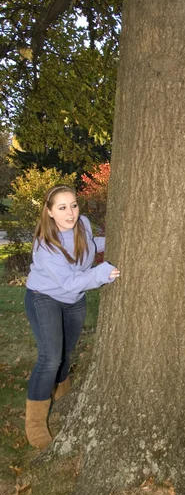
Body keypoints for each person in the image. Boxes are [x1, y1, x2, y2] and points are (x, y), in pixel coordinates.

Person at [24, 184, 120, 449]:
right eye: (62, 207)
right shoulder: (46, 245)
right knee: (50, 357)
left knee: (65, 353)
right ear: (50, 212)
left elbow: (89, 244)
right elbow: (68, 282)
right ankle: (35, 423)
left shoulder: (83, 224)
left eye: (74, 205)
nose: (71, 212)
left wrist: (120, 241)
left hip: (74, 301)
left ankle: (62, 399)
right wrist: (102, 273)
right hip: (45, 298)